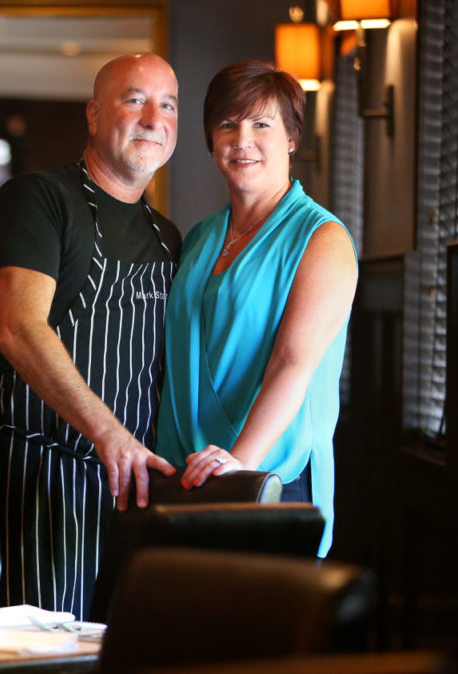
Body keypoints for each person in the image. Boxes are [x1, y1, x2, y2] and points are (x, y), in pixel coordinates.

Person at [0, 53, 182, 619]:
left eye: (169, 104)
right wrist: (110, 434)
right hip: (31, 475)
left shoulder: (168, 237)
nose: (155, 117)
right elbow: (18, 328)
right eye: (135, 99)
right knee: (35, 659)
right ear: (94, 114)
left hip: (125, 490)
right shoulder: (36, 200)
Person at [154, 60, 358, 557]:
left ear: (291, 138)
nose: (242, 139)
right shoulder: (200, 236)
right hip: (184, 477)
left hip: (268, 480)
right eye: (227, 124)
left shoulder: (322, 238)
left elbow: (294, 363)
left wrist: (239, 463)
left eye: (261, 124)